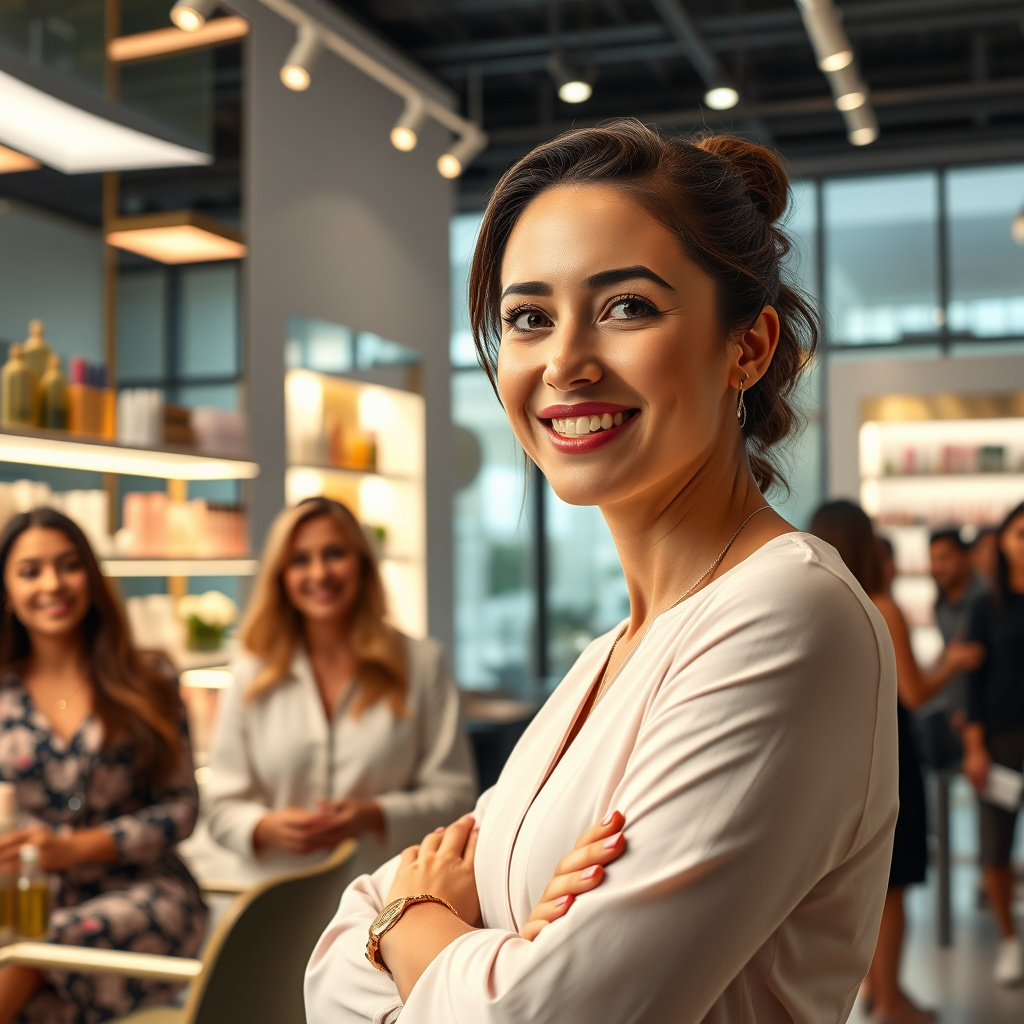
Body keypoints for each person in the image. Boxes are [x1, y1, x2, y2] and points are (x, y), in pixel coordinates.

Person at [305, 120, 899, 1024]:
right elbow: (330, 963)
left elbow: (537, 1015)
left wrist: (413, 921)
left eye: (627, 307)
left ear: (749, 346)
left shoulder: (787, 614)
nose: (564, 363)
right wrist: (481, 952)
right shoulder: (606, 658)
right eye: (528, 318)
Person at [0, 508, 206, 1023]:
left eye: (68, 566)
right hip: (24, 898)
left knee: (32, 956)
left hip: (142, 894)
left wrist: (73, 848)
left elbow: (181, 808)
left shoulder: (149, 677)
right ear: (6, 590)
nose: (52, 584)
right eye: (30, 571)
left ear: (91, 576)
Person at [203, 497, 477, 882]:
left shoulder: (422, 663)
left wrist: (375, 816)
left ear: (363, 563)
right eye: (300, 560)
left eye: (334, 554)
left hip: (386, 893)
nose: (319, 573)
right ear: (281, 575)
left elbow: (456, 796)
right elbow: (218, 808)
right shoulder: (252, 670)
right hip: (271, 898)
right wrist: (263, 827)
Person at [811, 503, 977, 1024]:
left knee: (857, 885)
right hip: (888, 754)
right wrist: (952, 663)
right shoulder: (880, 604)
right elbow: (914, 691)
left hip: (834, 756)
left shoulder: (814, 602)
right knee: (894, 884)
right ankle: (893, 1001)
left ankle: (872, 994)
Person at [962, 501, 1024, 986]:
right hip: (1002, 739)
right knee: (996, 846)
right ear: (1002, 540)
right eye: (1019, 532)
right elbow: (973, 683)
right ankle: (1009, 941)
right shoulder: (986, 606)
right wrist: (975, 746)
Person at [917, 528, 988, 767]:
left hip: (990, 719)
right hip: (955, 716)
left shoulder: (988, 599)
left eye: (944, 558)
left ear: (966, 556)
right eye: (933, 559)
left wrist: (970, 712)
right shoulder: (941, 605)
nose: (936, 567)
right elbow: (953, 658)